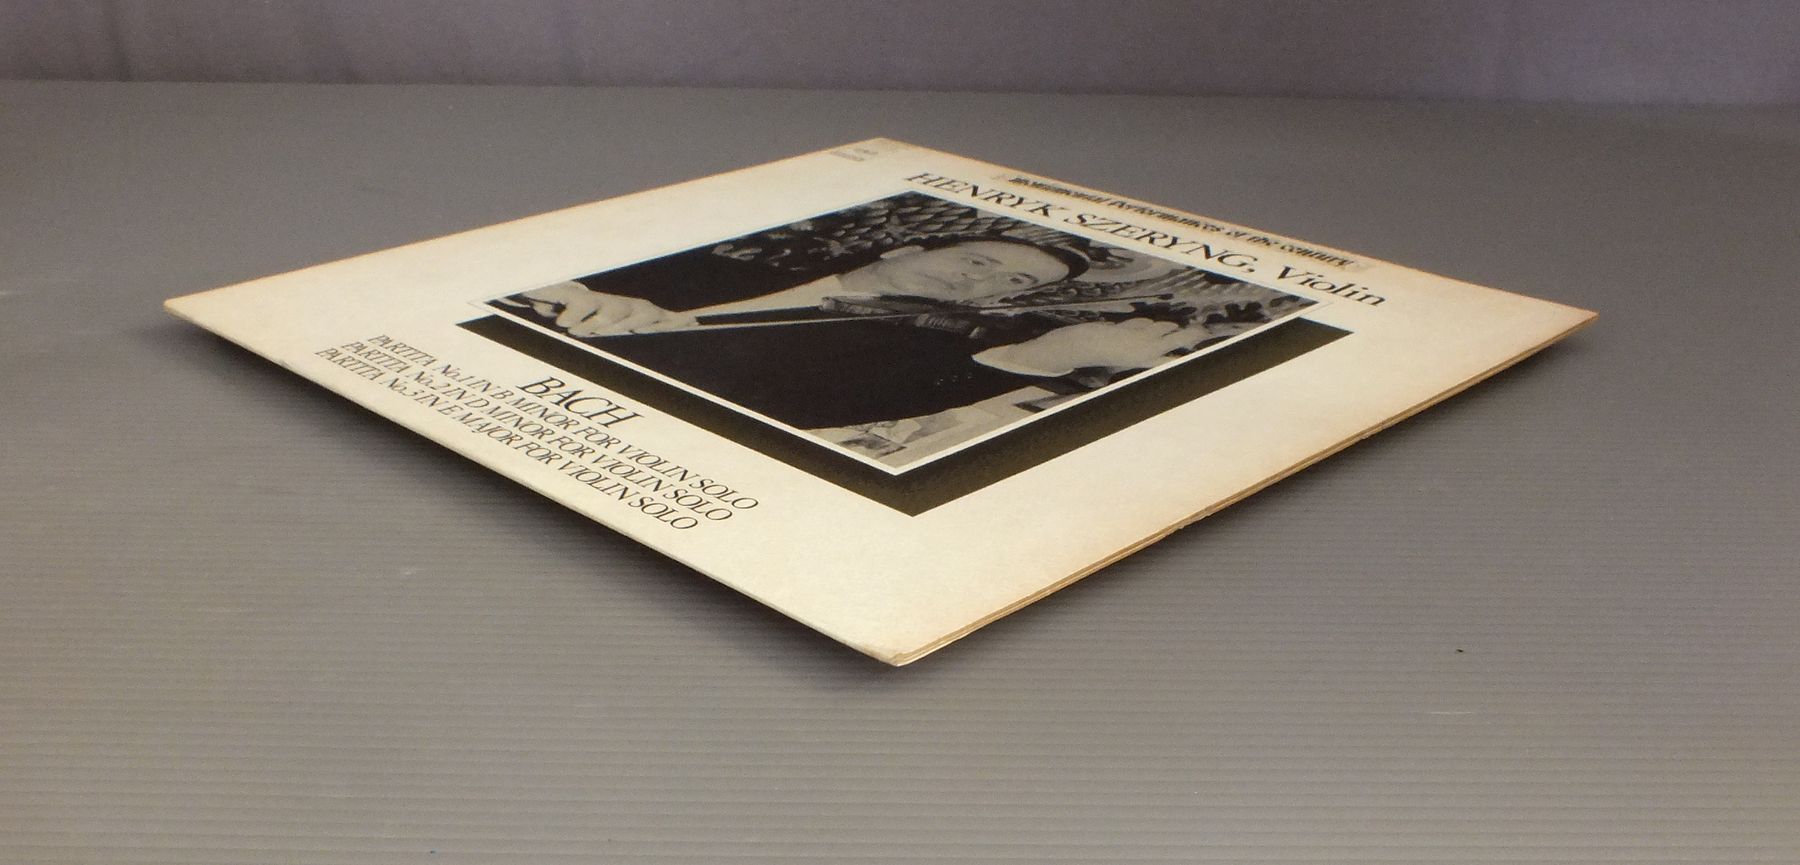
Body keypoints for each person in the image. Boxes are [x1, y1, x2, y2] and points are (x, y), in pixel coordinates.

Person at [496, 236, 1210, 428]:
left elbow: (829, 404)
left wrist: (1043, 358)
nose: (979, 283)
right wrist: (570, 289)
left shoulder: (921, 348)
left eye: (1012, 284)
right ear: (904, 249)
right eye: (977, 260)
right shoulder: (726, 258)